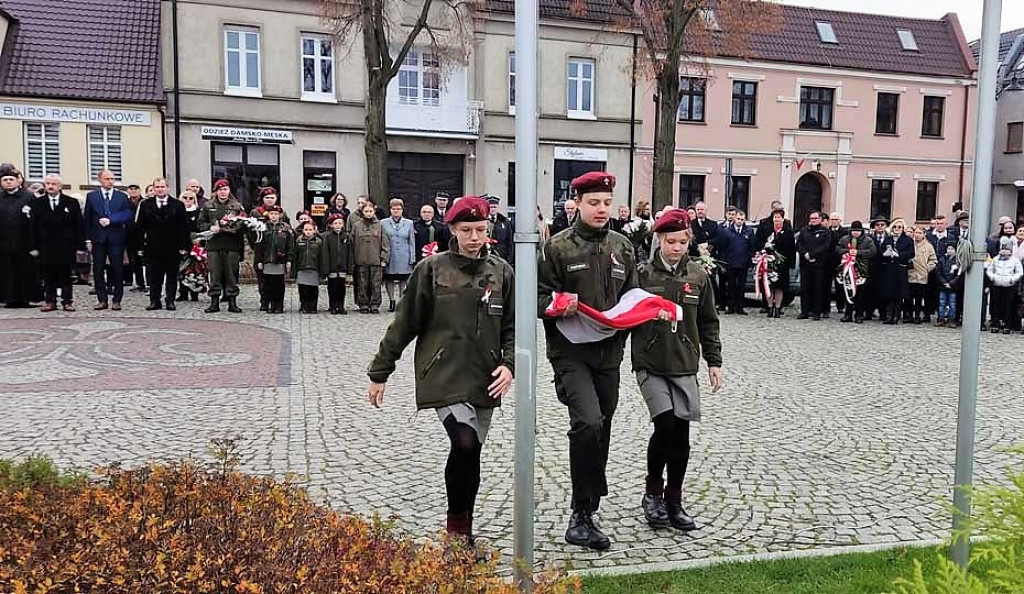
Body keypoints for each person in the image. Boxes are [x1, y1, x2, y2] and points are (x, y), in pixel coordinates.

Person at [367, 195, 514, 546]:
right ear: (452, 229)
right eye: (467, 230)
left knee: (472, 450)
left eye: (481, 229)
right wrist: (379, 372)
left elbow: (513, 325)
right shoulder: (432, 269)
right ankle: (455, 533)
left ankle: (465, 532)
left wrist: (509, 365)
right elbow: (404, 323)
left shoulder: (501, 271)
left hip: (485, 377)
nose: (475, 237)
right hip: (443, 373)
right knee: (463, 443)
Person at [537, 171, 635, 551]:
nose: (601, 209)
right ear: (577, 203)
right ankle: (580, 514)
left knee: (602, 425)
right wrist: (561, 305)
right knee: (588, 421)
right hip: (569, 353)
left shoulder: (623, 247)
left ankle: (589, 504)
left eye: (607, 203)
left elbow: (632, 296)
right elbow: (538, 297)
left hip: (609, 353)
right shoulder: (558, 247)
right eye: (594, 203)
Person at [631, 209, 722, 532]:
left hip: (684, 363)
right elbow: (624, 313)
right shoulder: (642, 274)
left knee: (681, 432)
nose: (677, 248)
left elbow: (709, 322)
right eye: (671, 242)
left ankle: (674, 499)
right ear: (658, 240)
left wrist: (714, 362)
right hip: (650, 362)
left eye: (683, 242)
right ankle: (653, 491)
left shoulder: (697, 275)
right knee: (665, 423)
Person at [30, 174, 85, 312]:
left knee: (66, 275)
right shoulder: (38, 203)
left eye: (54, 184)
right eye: (48, 183)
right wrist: (33, 246)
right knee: (48, 276)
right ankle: (50, 301)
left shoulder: (71, 202)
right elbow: (33, 226)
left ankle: (67, 301)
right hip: (45, 245)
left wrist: (80, 246)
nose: (50, 186)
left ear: (60, 186)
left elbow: (79, 225)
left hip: (66, 245)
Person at [135, 178, 190, 311]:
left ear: (168, 188)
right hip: (153, 247)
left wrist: (184, 246)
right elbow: (140, 227)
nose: (160, 189)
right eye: (157, 187)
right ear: (153, 189)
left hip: (173, 246)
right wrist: (139, 246)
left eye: (162, 186)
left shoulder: (177, 205)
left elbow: (183, 227)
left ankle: (170, 300)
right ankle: (155, 301)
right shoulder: (145, 204)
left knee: (171, 276)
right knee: (154, 276)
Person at [84, 170, 134, 311]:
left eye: (112, 178)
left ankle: (117, 299)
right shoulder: (92, 196)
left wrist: (112, 219)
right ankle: (102, 299)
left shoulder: (121, 196)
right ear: (100, 180)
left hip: (116, 238)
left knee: (117, 269)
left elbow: (128, 214)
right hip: (98, 238)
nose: (110, 181)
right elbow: (87, 219)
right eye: (107, 178)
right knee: (98, 269)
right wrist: (87, 240)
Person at [198, 178, 246, 313]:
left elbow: (244, 224)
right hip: (214, 245)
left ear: (229, 190)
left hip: (232, 245)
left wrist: (236, 227)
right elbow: (200, 223)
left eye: (225, 189)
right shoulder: (208, 205)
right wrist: (210, 227)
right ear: (216, 191)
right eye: (220, 190)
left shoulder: (236, 206)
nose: (222, 192)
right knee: (214, 273)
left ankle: (232, 301)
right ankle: (214, 301)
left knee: (231, 274)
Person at [0, 164, 40, 308]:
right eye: (5, 180)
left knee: (25, 271)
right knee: (7, 271)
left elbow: (36, 220)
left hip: (24, 242)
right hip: (4, 242)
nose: (8, 182)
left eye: (11, 179)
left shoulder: (29, 197)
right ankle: (9, 298)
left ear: (18, 181)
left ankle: (26, 298)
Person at [754, 208, 796, 318]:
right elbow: (759, 242)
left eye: (778, 217)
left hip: (782, 264)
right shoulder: (767, 230)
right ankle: (769, 307)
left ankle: (777, 308)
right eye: (775, 217)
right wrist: (764, 250)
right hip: (768, 262)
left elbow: (792, 248)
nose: (776, 220)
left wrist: (790, 263)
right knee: (769, 285)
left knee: (779, 287)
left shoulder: (788, 231)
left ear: (783, 219)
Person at [352, 200, 389, 314]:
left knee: (376, 284)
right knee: (362, 283)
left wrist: (384, 258)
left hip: (376, 261)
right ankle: (363, 304)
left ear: (374, 211)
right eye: (366, 211)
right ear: (362, 212)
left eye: (370, 211)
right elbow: (352, 243)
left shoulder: (380, 225)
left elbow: (385, 243)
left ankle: (374, 304)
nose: (368, 213)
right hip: (361, 260)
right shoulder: (357, 226)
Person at [254, 205, 292, 314]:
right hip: (267, 261)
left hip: (280, 261)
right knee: (268, 285)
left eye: (276, 214)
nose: (273, 216)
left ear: (280, 215)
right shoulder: (262, 227)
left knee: (279, 285)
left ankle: (278, 305)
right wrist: (259, 260)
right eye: (271, 214)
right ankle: (269, 304)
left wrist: (289, 260)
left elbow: (290, 246)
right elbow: (259, 246)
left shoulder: (286, 228)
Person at [836, 221, 877, 323]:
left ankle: (859, 314)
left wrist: (858, 253)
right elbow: (837, 249)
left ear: (861, 231)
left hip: (861, 270)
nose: (855, 233)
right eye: (854, 231)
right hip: (848, 270)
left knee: (860, 293)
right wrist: (847, 251)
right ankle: (848, 314)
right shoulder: (845, 239)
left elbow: (873, 252)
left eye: (857, 231)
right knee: (848, 292)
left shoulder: (868, 240)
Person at [877, 218, 915, 326]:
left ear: (903, 229)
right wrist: (885, 254)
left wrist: (899, 255)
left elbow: (911, 253)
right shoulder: (888, 239)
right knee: (889, 293)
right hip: (889, 269)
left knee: (899, 294)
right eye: (894, 227)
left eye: (899, 227)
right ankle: (889, 315)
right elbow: (881, 251)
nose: (896, 229)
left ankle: (896, 316)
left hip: (900, 269)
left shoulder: (907, 240)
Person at [795, 211, 832, 321]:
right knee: (805, 288)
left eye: (815, 218)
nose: (813, 220)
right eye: (811, 218)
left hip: (819, 264)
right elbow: (799, 244)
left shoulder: (825, 231)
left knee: (818, 288)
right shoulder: (804, 230)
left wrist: (812, 254)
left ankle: (817, 312)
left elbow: (826, 246)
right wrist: (805, 253)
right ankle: (804, 311)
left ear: (820, 219)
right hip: (805, 263)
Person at [381, 198, 416, 313]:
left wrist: (412, 257)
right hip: (390, 255)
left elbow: (411, 241)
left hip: (404, 255)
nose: (396, 211)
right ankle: (392, 300)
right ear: (390, 210)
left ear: (402, 210)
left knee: (403, 280)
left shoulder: (409, 223)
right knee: (389, 279)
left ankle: (401, 301)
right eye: (394, 209)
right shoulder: (383, 223)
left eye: (398, 209)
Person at [985, 236, 1023, 334]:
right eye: (1003, 248)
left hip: (1009, 286)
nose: (1004, 251)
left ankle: (1007, 325)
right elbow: (989, 269)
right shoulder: (996, 259)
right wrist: (993, 277)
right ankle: (995, 323)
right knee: (995, 305)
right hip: (996, 284)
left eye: (1007, 248)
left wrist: (1012, 279)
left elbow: (1019, 272)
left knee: (1008, 306)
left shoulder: (1014, 260)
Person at [718, 210, 754, 314]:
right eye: (738, 219)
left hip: (743, 263)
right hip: (730, 263)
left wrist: (751, 262)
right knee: (731, 286)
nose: (739, 221)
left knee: (741, 286)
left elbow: (751, 248)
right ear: (735, 219)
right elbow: (723, 248)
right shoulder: (727, 231)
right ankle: (730, 306)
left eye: (742, 219)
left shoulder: (749, 231)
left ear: (744, 220)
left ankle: (740, 307)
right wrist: (723, 263)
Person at [292, 220, 327, 314]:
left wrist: (322, 271)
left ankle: (313, 306)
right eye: (306, 229)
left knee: (313, 290)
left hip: (314, 268)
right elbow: (295, 256)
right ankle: (304, 305)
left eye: (310, 229)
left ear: (314, 230)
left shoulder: (319, 242)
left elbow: (322, 257)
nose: (308, 231)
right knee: (303, 289)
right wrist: (293, 270)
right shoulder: (298, 241)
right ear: (303, 230)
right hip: (302, 268)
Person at [907, 226, 937, 324]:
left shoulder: (928, 246)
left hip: (922, 276)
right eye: (916, 232)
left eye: (920, 233)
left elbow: (933, 260)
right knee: (909, 297)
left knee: (919, 298)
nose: (917, 235)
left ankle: (917, 316)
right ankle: (909, 315)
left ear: (924, 234)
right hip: (910, 274)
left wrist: (927, 268)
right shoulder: (910, 244)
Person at [323, 213, 352, 315]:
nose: (338, 225)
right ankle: (333, 306)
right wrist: (326, 269)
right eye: (335, 223)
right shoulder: (327, 237)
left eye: (340, 223)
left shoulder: (346, 236)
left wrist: (349, 268)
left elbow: (350, 253)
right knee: (332, 288)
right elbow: (325, 254)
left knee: (341, 288)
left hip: (342, 267)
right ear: (331, 225)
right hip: (332, 267)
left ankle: (341, 305)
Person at [178, 191, 202, 302]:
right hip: (181, 242)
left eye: (190, 198)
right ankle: (182, 292)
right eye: (185, 197)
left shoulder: (198, 212)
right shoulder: (177, 211)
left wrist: (199, 239)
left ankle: (194, 293)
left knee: (194, 269)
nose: (187, 200)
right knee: (181, 269)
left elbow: (201, 227)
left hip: (194, 243)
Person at [125, 184, 147, 293]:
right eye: (131, 189)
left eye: (135, 189)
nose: (133, 191)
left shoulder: (144, 202)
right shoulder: (125, 203)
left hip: (142, 234)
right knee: (133, 260)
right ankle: (137, 282)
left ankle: (147, 283)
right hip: (128, 235)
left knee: (144, 260)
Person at [935, 242, 962, 328]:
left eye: (952, 249)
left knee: (952, 303)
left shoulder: (958, 261)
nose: (950, 251)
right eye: (948, 249)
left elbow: (959, 274)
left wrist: (951, 283)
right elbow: (938, 272)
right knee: (942, 303)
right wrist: (944, 282)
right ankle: (941, 318)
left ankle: (951, 319)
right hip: (942, 285)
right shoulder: (942, 259)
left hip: (953, 286)